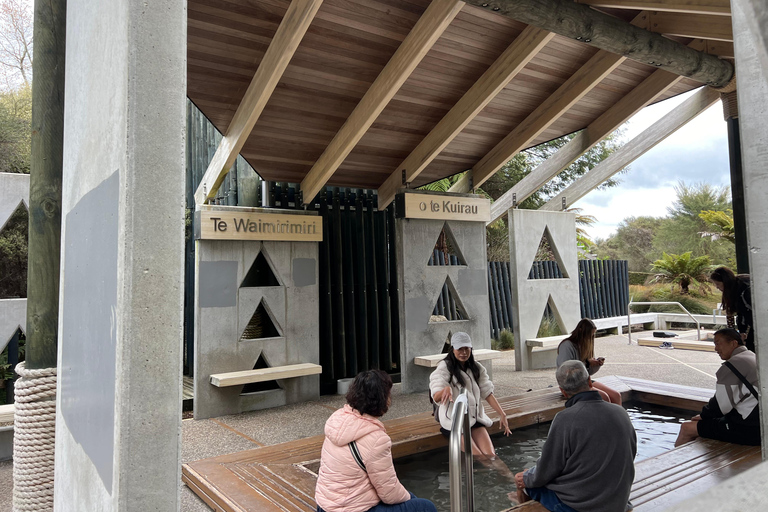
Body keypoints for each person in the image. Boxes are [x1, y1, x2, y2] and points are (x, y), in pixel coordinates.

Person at [514, 360, 637, 512]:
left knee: (523, 482)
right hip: (618, 501)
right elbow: (631, 453)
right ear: (590, 381)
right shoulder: (620, 412)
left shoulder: (565, 419)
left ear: (563, 391)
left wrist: (526, 477)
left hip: (580, 505)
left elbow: (546, 469)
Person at [315, 370, 437, 512]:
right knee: (425, 507)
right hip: (351, 509)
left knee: (411, 499)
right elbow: (389, 494)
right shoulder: (377, 439)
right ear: (381, 399)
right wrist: (411, 500)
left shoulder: (337, 420)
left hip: (324, 506)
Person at [429, 332, 511, 459]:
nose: (463, 352)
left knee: (491, 456)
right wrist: (444, 390)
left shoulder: (477, 367)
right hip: (453, 421)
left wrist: (502, 413)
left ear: (471, 348)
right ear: (453, 349)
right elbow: (436, 395)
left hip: (474, 418)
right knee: (480, 457)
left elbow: (487, 392)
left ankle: (512, 478)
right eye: (459, 349)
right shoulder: (444, 367)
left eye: (466, 348)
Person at [675, 328, 760, 447]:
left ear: (734, 343)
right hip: (759, 422)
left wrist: (704, 415)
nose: (716, 349)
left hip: (752, 430)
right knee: (708, 427)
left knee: (687, 428)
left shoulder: (733, 365)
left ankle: (676, 464)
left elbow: (721, 405)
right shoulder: (752, 356)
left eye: (718, 343)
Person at [556, 318, 622, 404]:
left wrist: (596, 365)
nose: (590, 338)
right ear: (580, 331)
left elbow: (588, 372)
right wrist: (587, 363)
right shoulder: (567, 346)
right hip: (572, 385)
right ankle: (605, 417)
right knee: (604, 397)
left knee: (616, 395)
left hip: (584, 381)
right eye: (589, 335)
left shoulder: (585, 346)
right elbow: (565, 371)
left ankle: (617, 417)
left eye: (592, 335)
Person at [710, 267, 754, 352]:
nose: (717, 287)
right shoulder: (737, 288)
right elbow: (741, 313)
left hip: (760, 325)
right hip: (754, 326)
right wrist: (742, 331)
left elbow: (748, 313)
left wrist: (743, 331)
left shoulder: (745, 290)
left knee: (752, 347)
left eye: (718, 284)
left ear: (725, 282)